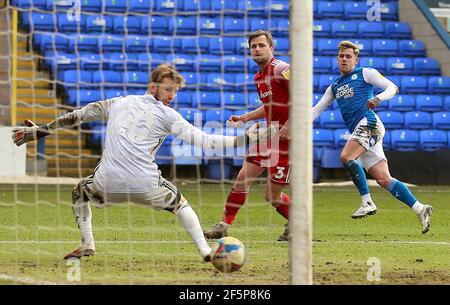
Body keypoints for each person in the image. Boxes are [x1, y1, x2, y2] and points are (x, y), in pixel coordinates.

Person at [11, 64, 267, 262]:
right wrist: (242, 139)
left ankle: (88, 242)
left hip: (106, 183)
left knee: (80, 191)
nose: (171, 96)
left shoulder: (117, 103)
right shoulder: (168, 116)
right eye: (168, 89)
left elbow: (77, 116)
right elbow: (205, 141)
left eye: (175, 92)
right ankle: (204, 251)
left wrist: (41, 131)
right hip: (146, 185)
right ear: (152, 85)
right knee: (181, 204)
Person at [312, 40, 434, 234]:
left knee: (346, 157)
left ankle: (367, 202)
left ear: (356, 59)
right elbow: (316, 110)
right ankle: (420, 208)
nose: (344, 59)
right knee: (384, 179)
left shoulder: (365, 73)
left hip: (370, 124)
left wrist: (378, 98)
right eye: (341, 56)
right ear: (337, 59)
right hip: (361, 130)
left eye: (348, 56)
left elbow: (392, 87)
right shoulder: (334, 86)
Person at [204, 30, 292, 241]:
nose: (257, 49)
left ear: (271, 48)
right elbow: (268, 107)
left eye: (262, 45)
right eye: (254, 46)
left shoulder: (282, 70)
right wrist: (244, 118)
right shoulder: (258, 77)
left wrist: (289, 125)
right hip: (270, 135)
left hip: (290, 140)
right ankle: (224, 225)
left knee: (271, 196)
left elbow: (302, 98)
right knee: (243, 177)